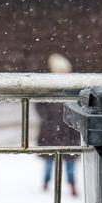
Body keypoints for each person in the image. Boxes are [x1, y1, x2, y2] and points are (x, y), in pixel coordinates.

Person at [38, 53, 79, 195]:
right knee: (51, 159)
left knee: (69, 160)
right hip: (53, 130)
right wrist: (48, 119)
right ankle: (46, 182)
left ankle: (72, 184)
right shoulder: (49, 87)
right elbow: (40, 106)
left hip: (66, 130)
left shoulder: (72, 87)